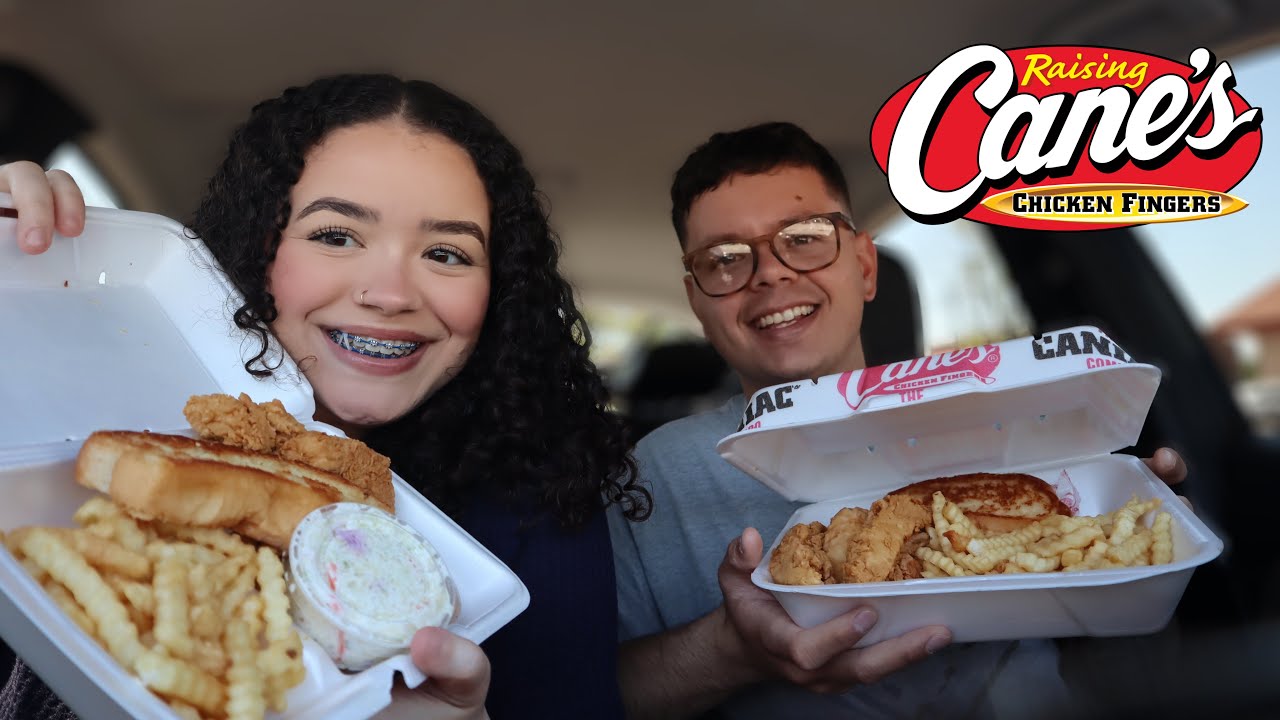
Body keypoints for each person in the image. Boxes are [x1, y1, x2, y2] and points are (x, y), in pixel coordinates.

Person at [1, 73, 649, 719]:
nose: (390, 294)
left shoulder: (539, 515)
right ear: (254, 248)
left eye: (447, 253)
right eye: (336, 236)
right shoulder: (103, 403)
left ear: (498, 290)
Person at [608, 121, 1189, 719]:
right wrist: (733, 650)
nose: (770, 272)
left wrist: (1136, 543)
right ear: (697, 301)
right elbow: (591, 693)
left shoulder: (999, 410)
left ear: (865, 266)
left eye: (804, 237)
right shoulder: (650, 477)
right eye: (725, 258)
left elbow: (1109, 621)